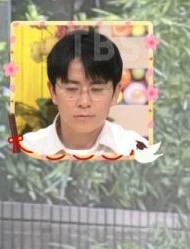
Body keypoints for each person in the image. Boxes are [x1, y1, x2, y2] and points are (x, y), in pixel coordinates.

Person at [20, 28, 142, 158]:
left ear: (115, 93)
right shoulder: (26, 150)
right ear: (53, 92)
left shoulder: (135, 150)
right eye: (72, 89)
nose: (84, 102)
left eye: (97, 89)